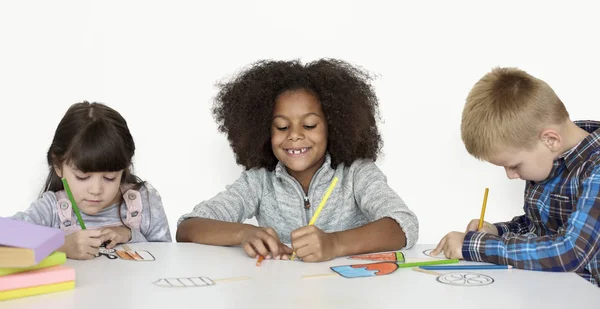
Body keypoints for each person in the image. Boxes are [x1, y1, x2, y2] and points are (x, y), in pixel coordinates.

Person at [177, 59, 418, 262]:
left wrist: (334, 244)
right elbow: (188, 227)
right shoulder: (259, 182)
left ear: (332, 126)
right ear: (264, 131)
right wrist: (243, 233)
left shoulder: (356, 174)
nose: (294, 135)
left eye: (309, 125)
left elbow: (404, 224)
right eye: (282, 126)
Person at [433, 67, 600, 286]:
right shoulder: (551, 159)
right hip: (554, 289)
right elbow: (536, 227)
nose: (511, 175)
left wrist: (473, 246)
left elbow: (570, 251)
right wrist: (496, 231)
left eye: (514, 165)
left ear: (550, 140)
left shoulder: (595, 170)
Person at [12, 101, 172, 259]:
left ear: (124, 168)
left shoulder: (144, 201)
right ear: (58, 165)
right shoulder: (52, 209)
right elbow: (5, 235)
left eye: (110, 178)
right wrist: (61, 245)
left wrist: (130, 235)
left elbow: (169, 258)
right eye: (83, 177)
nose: (96, 190)